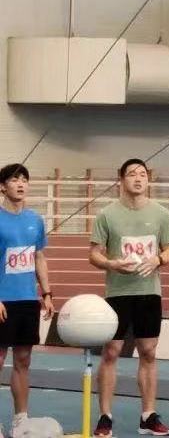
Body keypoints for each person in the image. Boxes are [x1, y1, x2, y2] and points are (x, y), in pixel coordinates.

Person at [88, 159, 169, 437]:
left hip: (149, 293)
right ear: (121, 179)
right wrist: (111, 264)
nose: (138, 179)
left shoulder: (161, 214)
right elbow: (94, 254)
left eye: (142, 174)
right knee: (111, 352)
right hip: (118, 293)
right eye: (132, 174)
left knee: (149, 352)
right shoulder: (107, 214)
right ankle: (105, 416)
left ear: (148, 179)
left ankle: (148, 416)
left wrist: (159, 259)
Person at [0, 164, 54, 433]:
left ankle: (21, 419)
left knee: (23, 360)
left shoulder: (35, 220)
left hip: (27, 300)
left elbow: (38, 257)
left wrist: (46, 293)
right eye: (14, 180)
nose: (20, 184)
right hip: (2, 301)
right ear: (2, 187)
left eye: (24, 179)